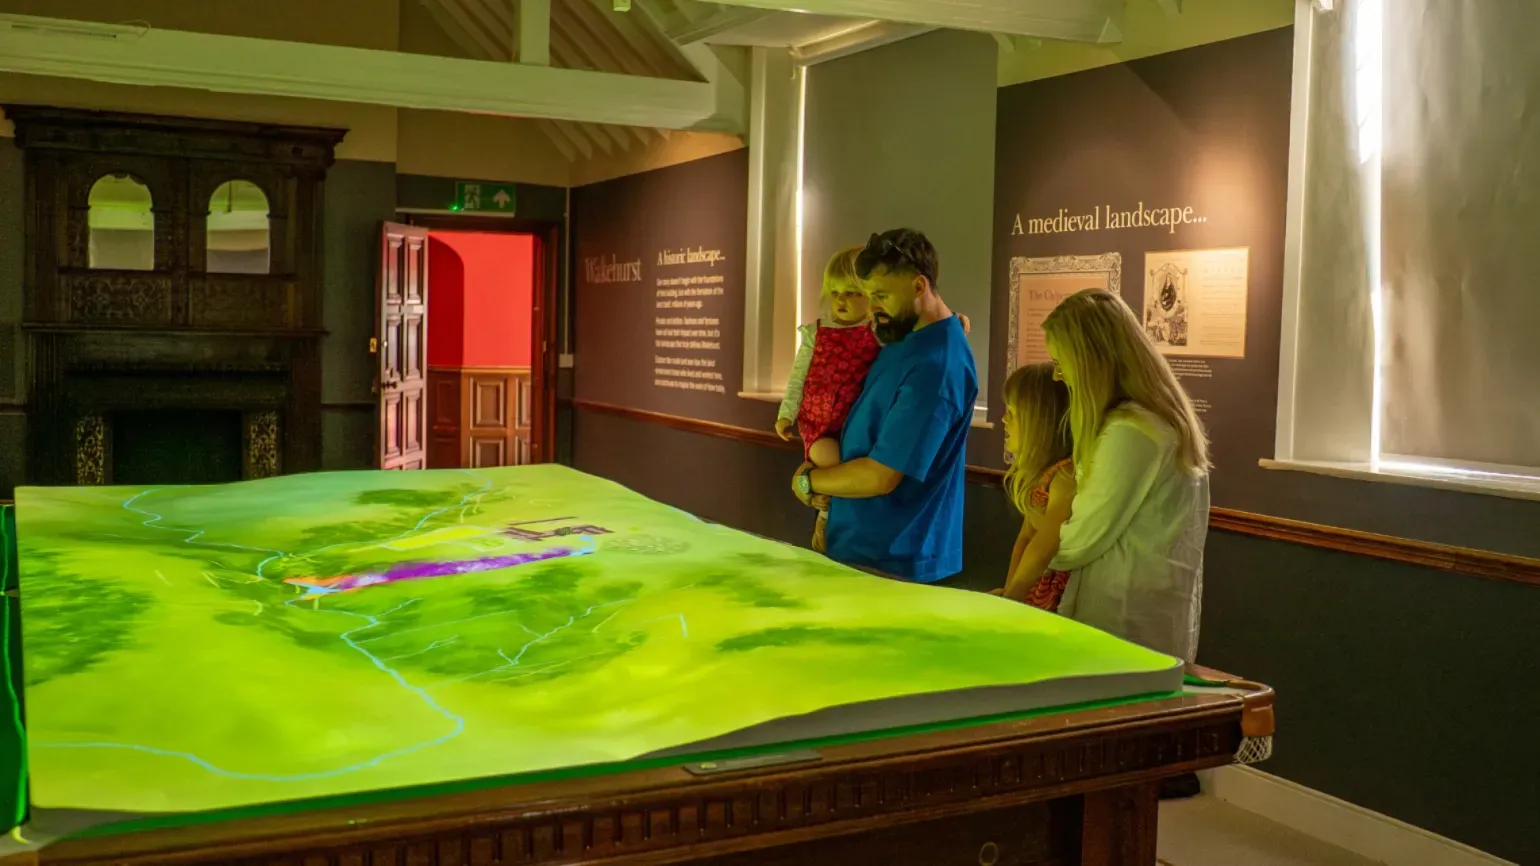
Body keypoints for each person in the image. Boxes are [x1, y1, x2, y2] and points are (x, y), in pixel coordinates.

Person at [790, 229, 977, 585]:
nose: (872, 308)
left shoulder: (936, 366)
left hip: (891, 561)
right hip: (858, 546)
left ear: (919, 287)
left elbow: (881, 475)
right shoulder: (903, 337)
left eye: (881, 296)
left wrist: (807, 481)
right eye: (868, 296)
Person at [1041, 289, 1210, 663]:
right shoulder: (1152, 422)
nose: (1058, 374)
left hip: (1118, 620)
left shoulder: (1131, 431)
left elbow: (1082, 536)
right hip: (1142, 615)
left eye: (1061, 361)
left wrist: (1033, 565)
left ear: (1091, 359)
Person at [775, 247, 883, 551]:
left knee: (852, 465)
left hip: (854, 422)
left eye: (851, 292)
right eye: (835, 292)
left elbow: (914, 331)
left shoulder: (875, 331)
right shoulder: (816, 333)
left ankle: (833, 514)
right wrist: (787, 414)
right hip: (819, 424)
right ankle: (824, 514)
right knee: (827, 456)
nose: (841, 300)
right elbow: (798, 377)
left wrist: (953, 321)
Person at [991, 363, 1076, 609]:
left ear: (1041, 422)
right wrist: (1010, 590)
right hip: (1030, 591)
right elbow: (1026, 537)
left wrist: (1012, 598)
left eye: (1013, 412)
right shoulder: (1040, 476)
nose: (1004, 418)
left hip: (1050, 596)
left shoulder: (1064, 476)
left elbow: (1046, 543)